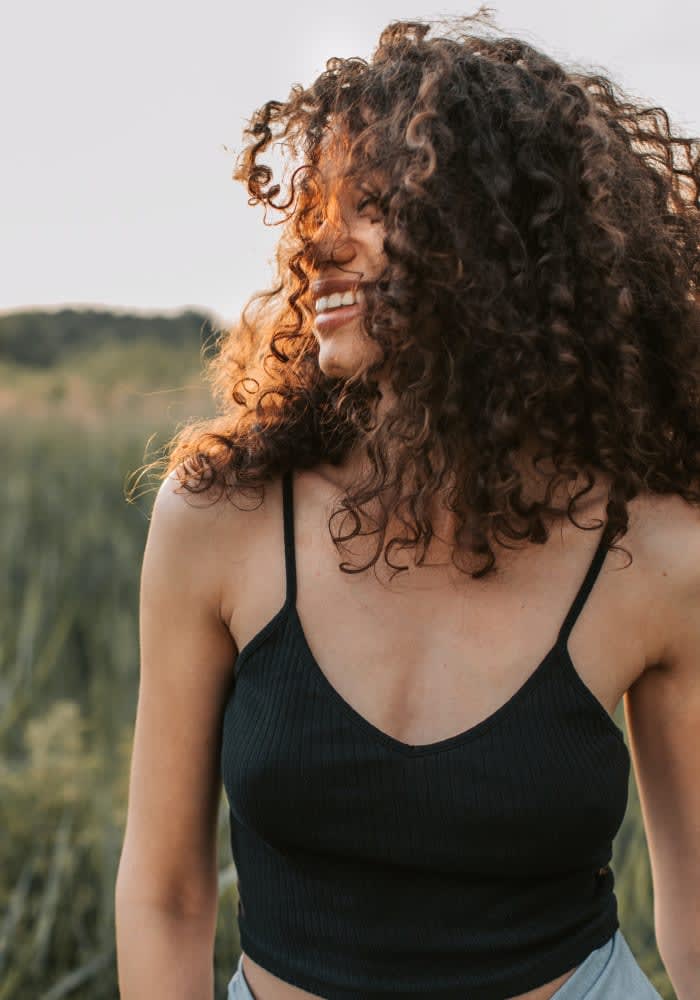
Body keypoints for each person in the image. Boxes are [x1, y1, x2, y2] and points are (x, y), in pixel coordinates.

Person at [115, 10, 700, 1000]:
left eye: (375, 204)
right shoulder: (220, 515)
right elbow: (165, 893)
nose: (319, 243)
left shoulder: (656, 551)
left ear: (499, 242)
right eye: (317, 207)